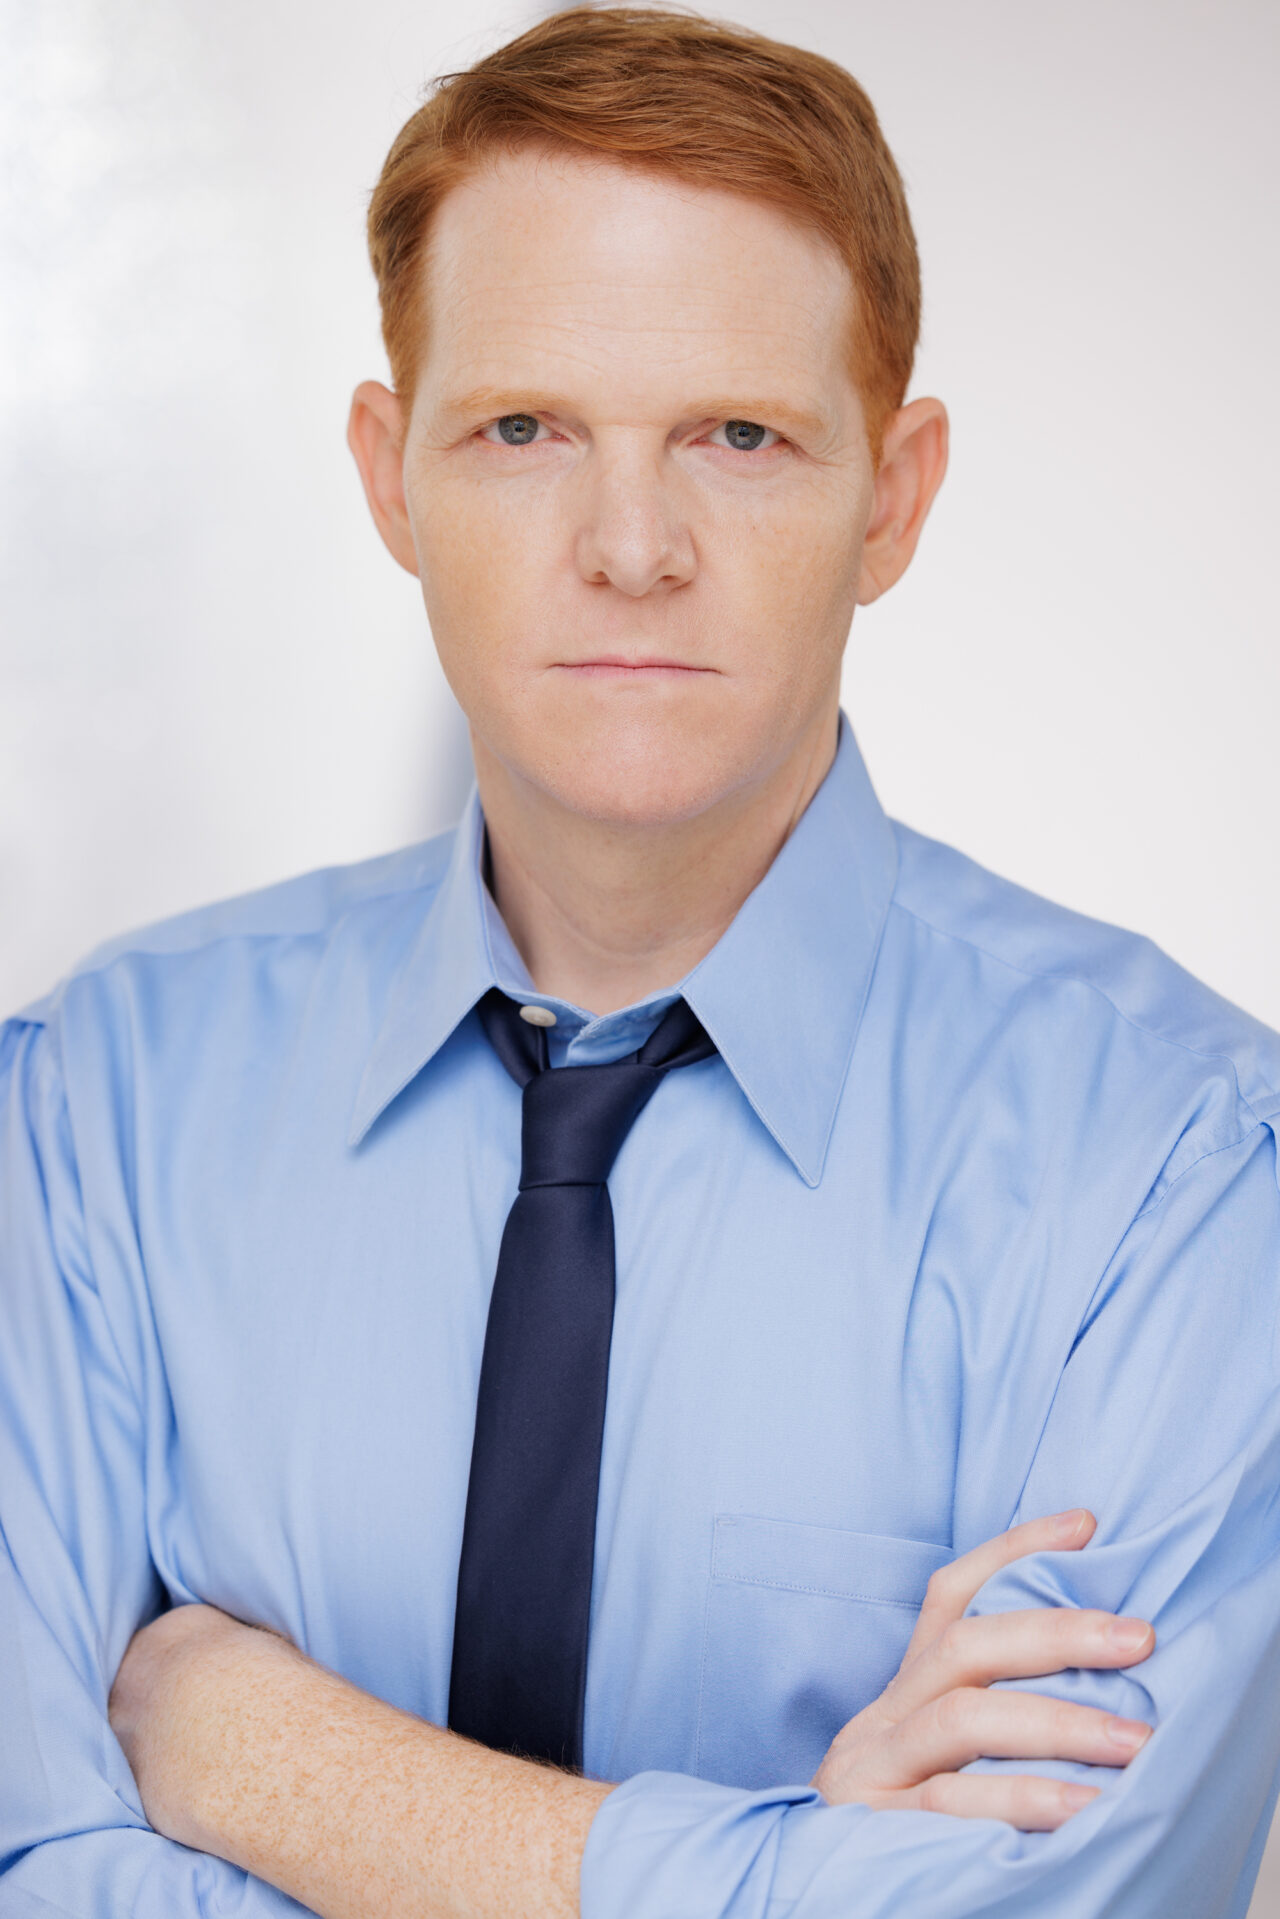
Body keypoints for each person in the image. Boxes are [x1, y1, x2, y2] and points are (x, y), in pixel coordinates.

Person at [3, 6, 1279, 1915]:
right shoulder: (90, 1111)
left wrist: (246, 1749)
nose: (628, 545)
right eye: (522, 431)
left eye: (738, 438)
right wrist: (804, 1868)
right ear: (391, 478)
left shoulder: (1183, 1177)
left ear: (894, 497)